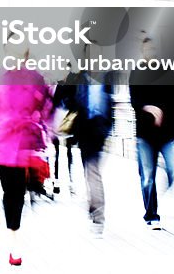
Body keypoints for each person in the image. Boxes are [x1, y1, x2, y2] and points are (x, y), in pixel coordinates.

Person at [0, 53, 52, 267]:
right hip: (3, 144)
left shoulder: (35, 79)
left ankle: (14, 239)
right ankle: (14, 239)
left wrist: (40, 121)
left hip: (22, 145)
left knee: (16, 194)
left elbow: (46, 108)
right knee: (11, 192)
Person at [129, 35, 174, 230]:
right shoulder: (136, 73)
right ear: (142, 53)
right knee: (147, 176)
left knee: (173, 169)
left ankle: (165, 190)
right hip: (145, 135)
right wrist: (148, 108)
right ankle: (151, 215)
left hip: (167, 132)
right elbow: (134, 100)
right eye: (147, 50)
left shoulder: (167, 71)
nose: (150, 53)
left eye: (153, 50)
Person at [57, 52, 115, 236]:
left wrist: (108, 128)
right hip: (85, 131)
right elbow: (61, 97)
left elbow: (110, 103)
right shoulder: (78, 77)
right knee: (90, 172)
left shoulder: (107, 77)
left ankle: (98, 213)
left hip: (101, 131)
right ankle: (95, 208)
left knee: (93, 172)